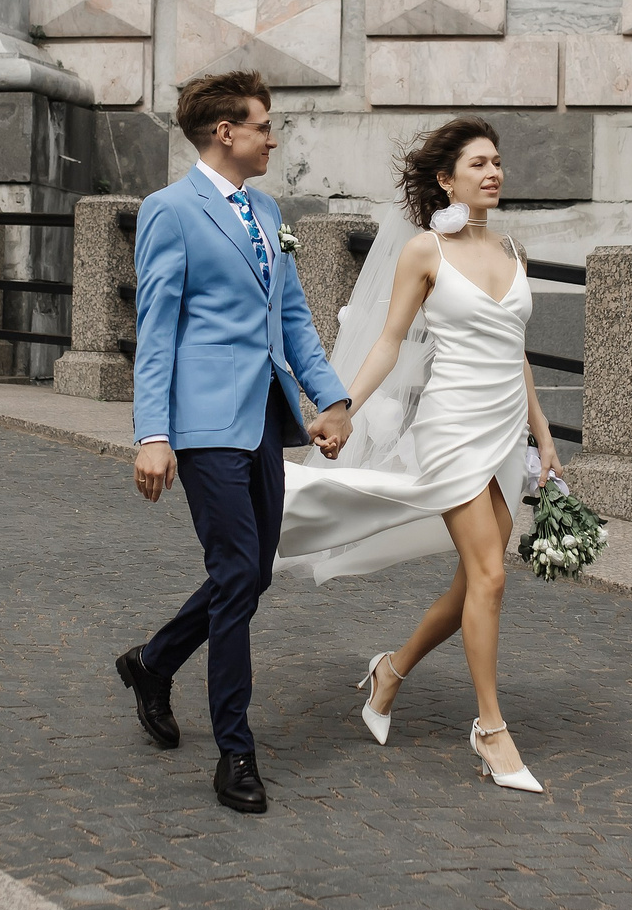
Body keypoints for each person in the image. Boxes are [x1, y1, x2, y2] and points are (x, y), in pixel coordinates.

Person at [278, 118, 557, 794]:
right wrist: (341, 406)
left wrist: (543, 435)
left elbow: (515, 353)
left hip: (503, 432)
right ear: (446, 179)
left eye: (497, 161)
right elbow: (389, 341)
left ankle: (390, 670)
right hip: (451, 428)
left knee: (474, 582)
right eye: (478, 163)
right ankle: (490, 729)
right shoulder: (425, 251)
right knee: (490, 575)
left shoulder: (512, 250)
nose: (493, 172)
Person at [116, 72, 353, 815]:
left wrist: (332, 398)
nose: (273, 138)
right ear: (226, 132)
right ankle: (235, 751)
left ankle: (154, 662)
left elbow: (293, 318)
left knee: (250, 576)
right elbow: (156, 330)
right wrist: (153, 435)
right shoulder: (169, 210)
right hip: (204, 425)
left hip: (264, 419)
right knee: (238, 570)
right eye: (264, 125)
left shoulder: (268, 210)